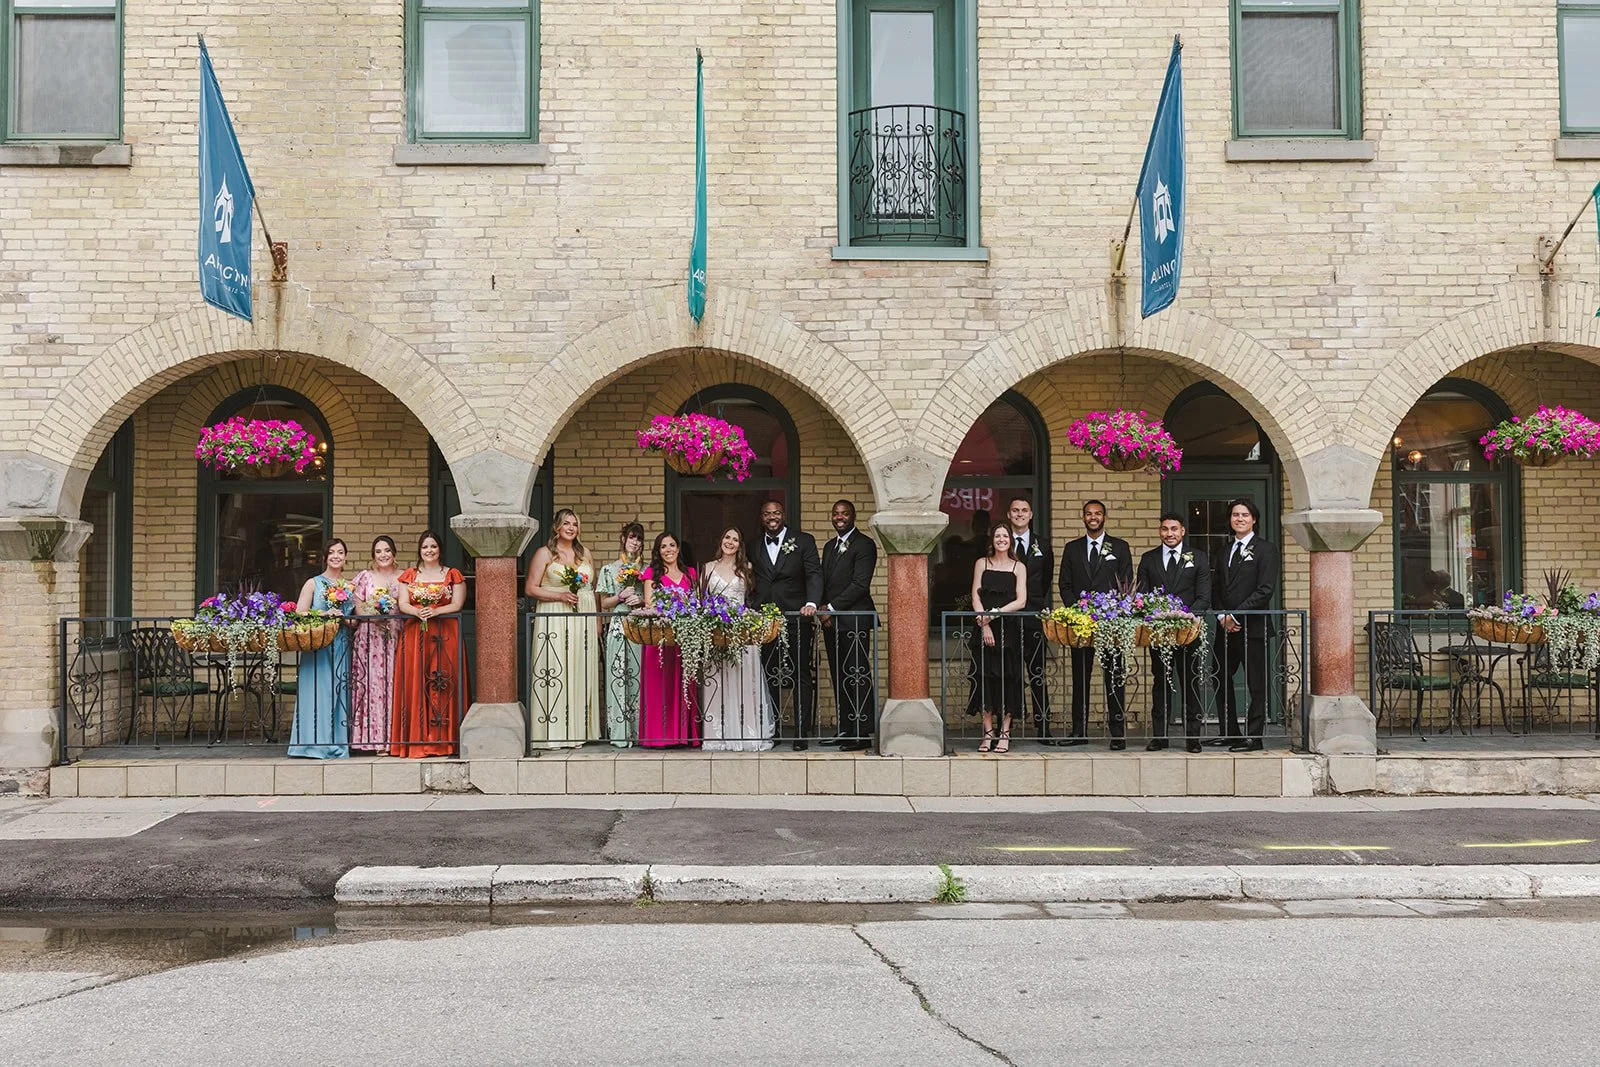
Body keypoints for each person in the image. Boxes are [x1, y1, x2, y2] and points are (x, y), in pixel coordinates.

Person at [1058, 499, 1134, 750]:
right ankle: (1079, 730)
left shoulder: (1120, 548)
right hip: (1081, 625)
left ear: (1104, 517)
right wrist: (1079, 612)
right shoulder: (1072, 548)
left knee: (1114, 678)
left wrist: (1110, 611)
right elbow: (1065, 585)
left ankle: (1117, 732)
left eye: (1098, 513)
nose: (1093, 517)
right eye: (1089, 514)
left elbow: (1125, 585)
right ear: (1083, 518)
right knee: (1080, 678)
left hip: (1110, 625)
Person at [1136, 513, 1212, 753]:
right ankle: (1160, 736)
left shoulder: (1197, 557)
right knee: (1160, 683)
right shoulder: (1149, 559)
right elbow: (1142, 596)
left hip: (1189, 632)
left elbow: (1203, 596)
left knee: (1190, 683)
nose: (1169, 533)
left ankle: (1193, 738)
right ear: (1160, 532)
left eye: (1174, 529)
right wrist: (1157, 619)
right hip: (1158, 633)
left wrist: (1186, 620)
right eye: (1165, 529)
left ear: (1183, 531)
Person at [525, 508, 600, 749]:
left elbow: (593, 589)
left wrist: (597, 621)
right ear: (557, 527)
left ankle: (578, 730)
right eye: (566, 523)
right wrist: (559, 596)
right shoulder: (544, 553)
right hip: (555, 617)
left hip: (583, 617)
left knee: (580, 668)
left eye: (575, 524)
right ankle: (553, 731)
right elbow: (531, 588)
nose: (571, 528)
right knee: (556, 668)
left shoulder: (584, 553)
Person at [750, 500, 822, 750]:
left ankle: (801, 732)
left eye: (777, 513)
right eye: (768, 513)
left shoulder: (803, 541)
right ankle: (775, 728)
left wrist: (812, 602)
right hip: (765, 621)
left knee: (799, 673)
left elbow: (814, 573)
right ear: (762, 517)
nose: (772, 517)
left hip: (796, 618)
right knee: (769, 674)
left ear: (784, 515)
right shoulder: (754, 545)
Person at [1209, 499, 1280, 752]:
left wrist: (1235, 616)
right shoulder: (1224, 550)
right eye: (1235, 514)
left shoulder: (1266, 549)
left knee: (1256, 685)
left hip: (1253, 628)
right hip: (1225, 629)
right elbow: (1216, 588)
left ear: (1254, 519)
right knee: (1220, 678)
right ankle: (1230, 733)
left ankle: (1253, 737)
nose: (1239, 518)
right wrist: (1221, 617)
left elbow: (1265, 590)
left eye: (1245, 514)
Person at [390, 531, 467, 757]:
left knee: (445, 680)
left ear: (439, 549)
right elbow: (403, 602)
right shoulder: (409, 575)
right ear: (420, 550)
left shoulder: (453, 575)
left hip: (446, 634)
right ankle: (417, 740)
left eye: (433, 546)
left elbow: (458, 603)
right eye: (425, 547)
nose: (429, 551)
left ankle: (445, 741)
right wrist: (417, 611)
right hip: (416, 634)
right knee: (416, 681)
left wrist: (435, 611)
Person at [700, 526, 774, 751]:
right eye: (727, 537)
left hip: (741, 634)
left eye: (735, 539)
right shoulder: (708, 568)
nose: (730, 542)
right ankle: (717, 735)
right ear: (721, 540)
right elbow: (701, 601)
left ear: (740, 545)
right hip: (717, 635)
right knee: (718, 683)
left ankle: (746, 732)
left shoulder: (747, 568)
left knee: (743, 683)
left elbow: (753, 598)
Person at [287, 538, 354, 759]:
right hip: (318, 645)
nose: (336, 556)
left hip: (340, 643)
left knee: (337, 692)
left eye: (340, 552)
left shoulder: (349, 586)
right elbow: (300, 612)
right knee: (316, 692)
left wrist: (344, 618)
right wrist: (325, 614)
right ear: (325, 557)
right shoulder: (313, 583)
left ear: (345, 557)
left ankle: (335, 743)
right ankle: (310, 744)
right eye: (332, 552)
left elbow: (354, 622)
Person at [819, 500, 878, 751]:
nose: (839, 517)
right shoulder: (830, 546)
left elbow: (860, 584)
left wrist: (831, 607)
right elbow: (822, 581)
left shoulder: (865, 545)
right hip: (832, 623)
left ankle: (862, 732)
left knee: (857, 675)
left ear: (853, 516)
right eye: (836, 513)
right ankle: (845, 728)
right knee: (839, 675)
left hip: (854, 620)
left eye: (844, 513)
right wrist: (823, 608)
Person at [638, 532, 699, 747]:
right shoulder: (651, 573)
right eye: (663, 546)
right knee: (659, 687)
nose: (668, 550)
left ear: (678, 548)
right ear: (658, 551)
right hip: (659, 640)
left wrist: (686, 605)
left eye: (672, 545)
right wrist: (675, 602)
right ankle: (658, 737)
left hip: (683, 639)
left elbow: (696, 604)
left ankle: (682, 735)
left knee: (682, 686)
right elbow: (649, 604)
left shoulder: (690, 574)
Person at [970, 524, 1027, 753]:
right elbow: (975, 594)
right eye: (997, 536)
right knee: (986, 679)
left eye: (1005, 536)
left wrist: (993, 615)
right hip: (983, 628)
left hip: (1008, 630)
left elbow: (1021, 601)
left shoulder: (1018, 566)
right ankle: (987, 733)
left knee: (1008, 680)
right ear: (991, 540)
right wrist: (984, 624)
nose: (1001, 539)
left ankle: (1004, 733)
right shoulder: (981, 563)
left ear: (1010, 540)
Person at [350, 535, 403, 753]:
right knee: (371, 687)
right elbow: (358, 608)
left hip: (394, 637)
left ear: (394, 553)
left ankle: (393, 739)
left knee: (393, 686)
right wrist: (374, 616)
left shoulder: (404, 577)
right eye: (379, 551)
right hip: (369, 639)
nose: (383, 555)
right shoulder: (364, 577)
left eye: (387, 550)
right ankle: (369, 739)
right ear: (373, 556)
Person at [1007, 495, 1055, 741]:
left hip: (1034, 616)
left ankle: (1043, 724)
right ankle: (1009, 725)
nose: (1019, 514)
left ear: (1031, 515)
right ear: (1009, 515)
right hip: (1009, 618)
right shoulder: (1002, 542)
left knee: (1037, 672)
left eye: (1024, 510)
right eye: (1015, 510)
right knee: (1010, 672)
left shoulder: (1043, 545)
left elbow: (1045, 579)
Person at [595, 522, 646, 748]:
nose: (634, 542)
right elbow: (604, 603)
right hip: (618, 625)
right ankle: (619, 732)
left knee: (638, 675)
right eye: (631, 537)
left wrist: (641, 599)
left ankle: (638, 731)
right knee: (618, 676)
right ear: (623, 539)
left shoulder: (647, 570)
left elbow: (652, 599)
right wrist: (620, 596)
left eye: (639, 539)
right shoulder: (609, 569)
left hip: (640, 625)